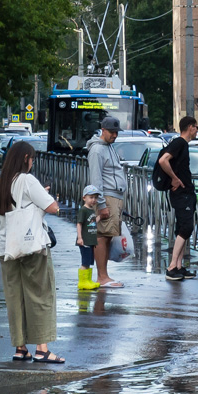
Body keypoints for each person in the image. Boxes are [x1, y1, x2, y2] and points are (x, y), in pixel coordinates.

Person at [0, 142, 63, 364]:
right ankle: (42, 348)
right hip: (32, 247)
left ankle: (20, 348)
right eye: (31, 158)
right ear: (25, 158)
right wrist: (44, 199)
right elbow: (53, 207)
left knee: (15, 298)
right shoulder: (27, 180)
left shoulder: (1, 182)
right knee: (40, 295)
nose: (32, 162)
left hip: (7, 248)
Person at [85, 116, 127, 289]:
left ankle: (104, 275)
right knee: (102, 236)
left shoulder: (108, 147)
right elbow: (96, 179)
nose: (115, 135)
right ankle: (102, 277)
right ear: (103, 130)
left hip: (114, 197)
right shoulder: (96, 150)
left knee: (107, 236)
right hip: (107, 198)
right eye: (111, 132)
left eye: (117, 132)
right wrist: (101, 204)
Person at [158, 116, 198, 281]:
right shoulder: (179, 143)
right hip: (182, 194)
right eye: (196, 127)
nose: (197, 130)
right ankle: (172, 266)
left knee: (183, 227)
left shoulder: (182, 145)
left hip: (185, 193)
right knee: (187, 227)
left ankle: (179, 267)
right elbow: (163, 160)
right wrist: (174, 178)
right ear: (190, 127)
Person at [75, 185, 100, 291]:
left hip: (90, 240)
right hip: (84, 240)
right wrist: (80, 238)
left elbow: (92, 223)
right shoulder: (84, 210)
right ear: (84, 197)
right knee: (85, 262)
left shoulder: (91, 210)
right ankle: (82, 282)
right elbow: (79, 224)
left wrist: (100, 217)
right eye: (91, 197)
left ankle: (88, 280)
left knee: (89, 261)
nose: (93, 200)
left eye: (95, 197)